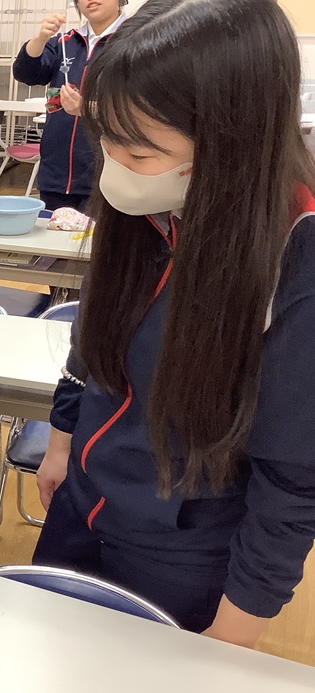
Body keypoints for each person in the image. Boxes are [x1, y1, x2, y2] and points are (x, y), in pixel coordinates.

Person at [34, 0, 315, 646]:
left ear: (231, 142)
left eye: (139, 151)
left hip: (181, 552)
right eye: (106, 139)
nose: (113, 166)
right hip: (82, 503)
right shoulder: (154, 202)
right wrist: (61, 442)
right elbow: (92, 336)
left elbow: (292, 482)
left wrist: (232, 637)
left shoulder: (294, 255)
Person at [13, 0, 127, 211]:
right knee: (51, 230)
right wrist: (40, 38)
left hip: (107, 177)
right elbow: (26, 73)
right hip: (57, 175)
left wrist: (86, 108)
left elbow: (139, 107)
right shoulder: (65, 42)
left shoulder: (135, 42)